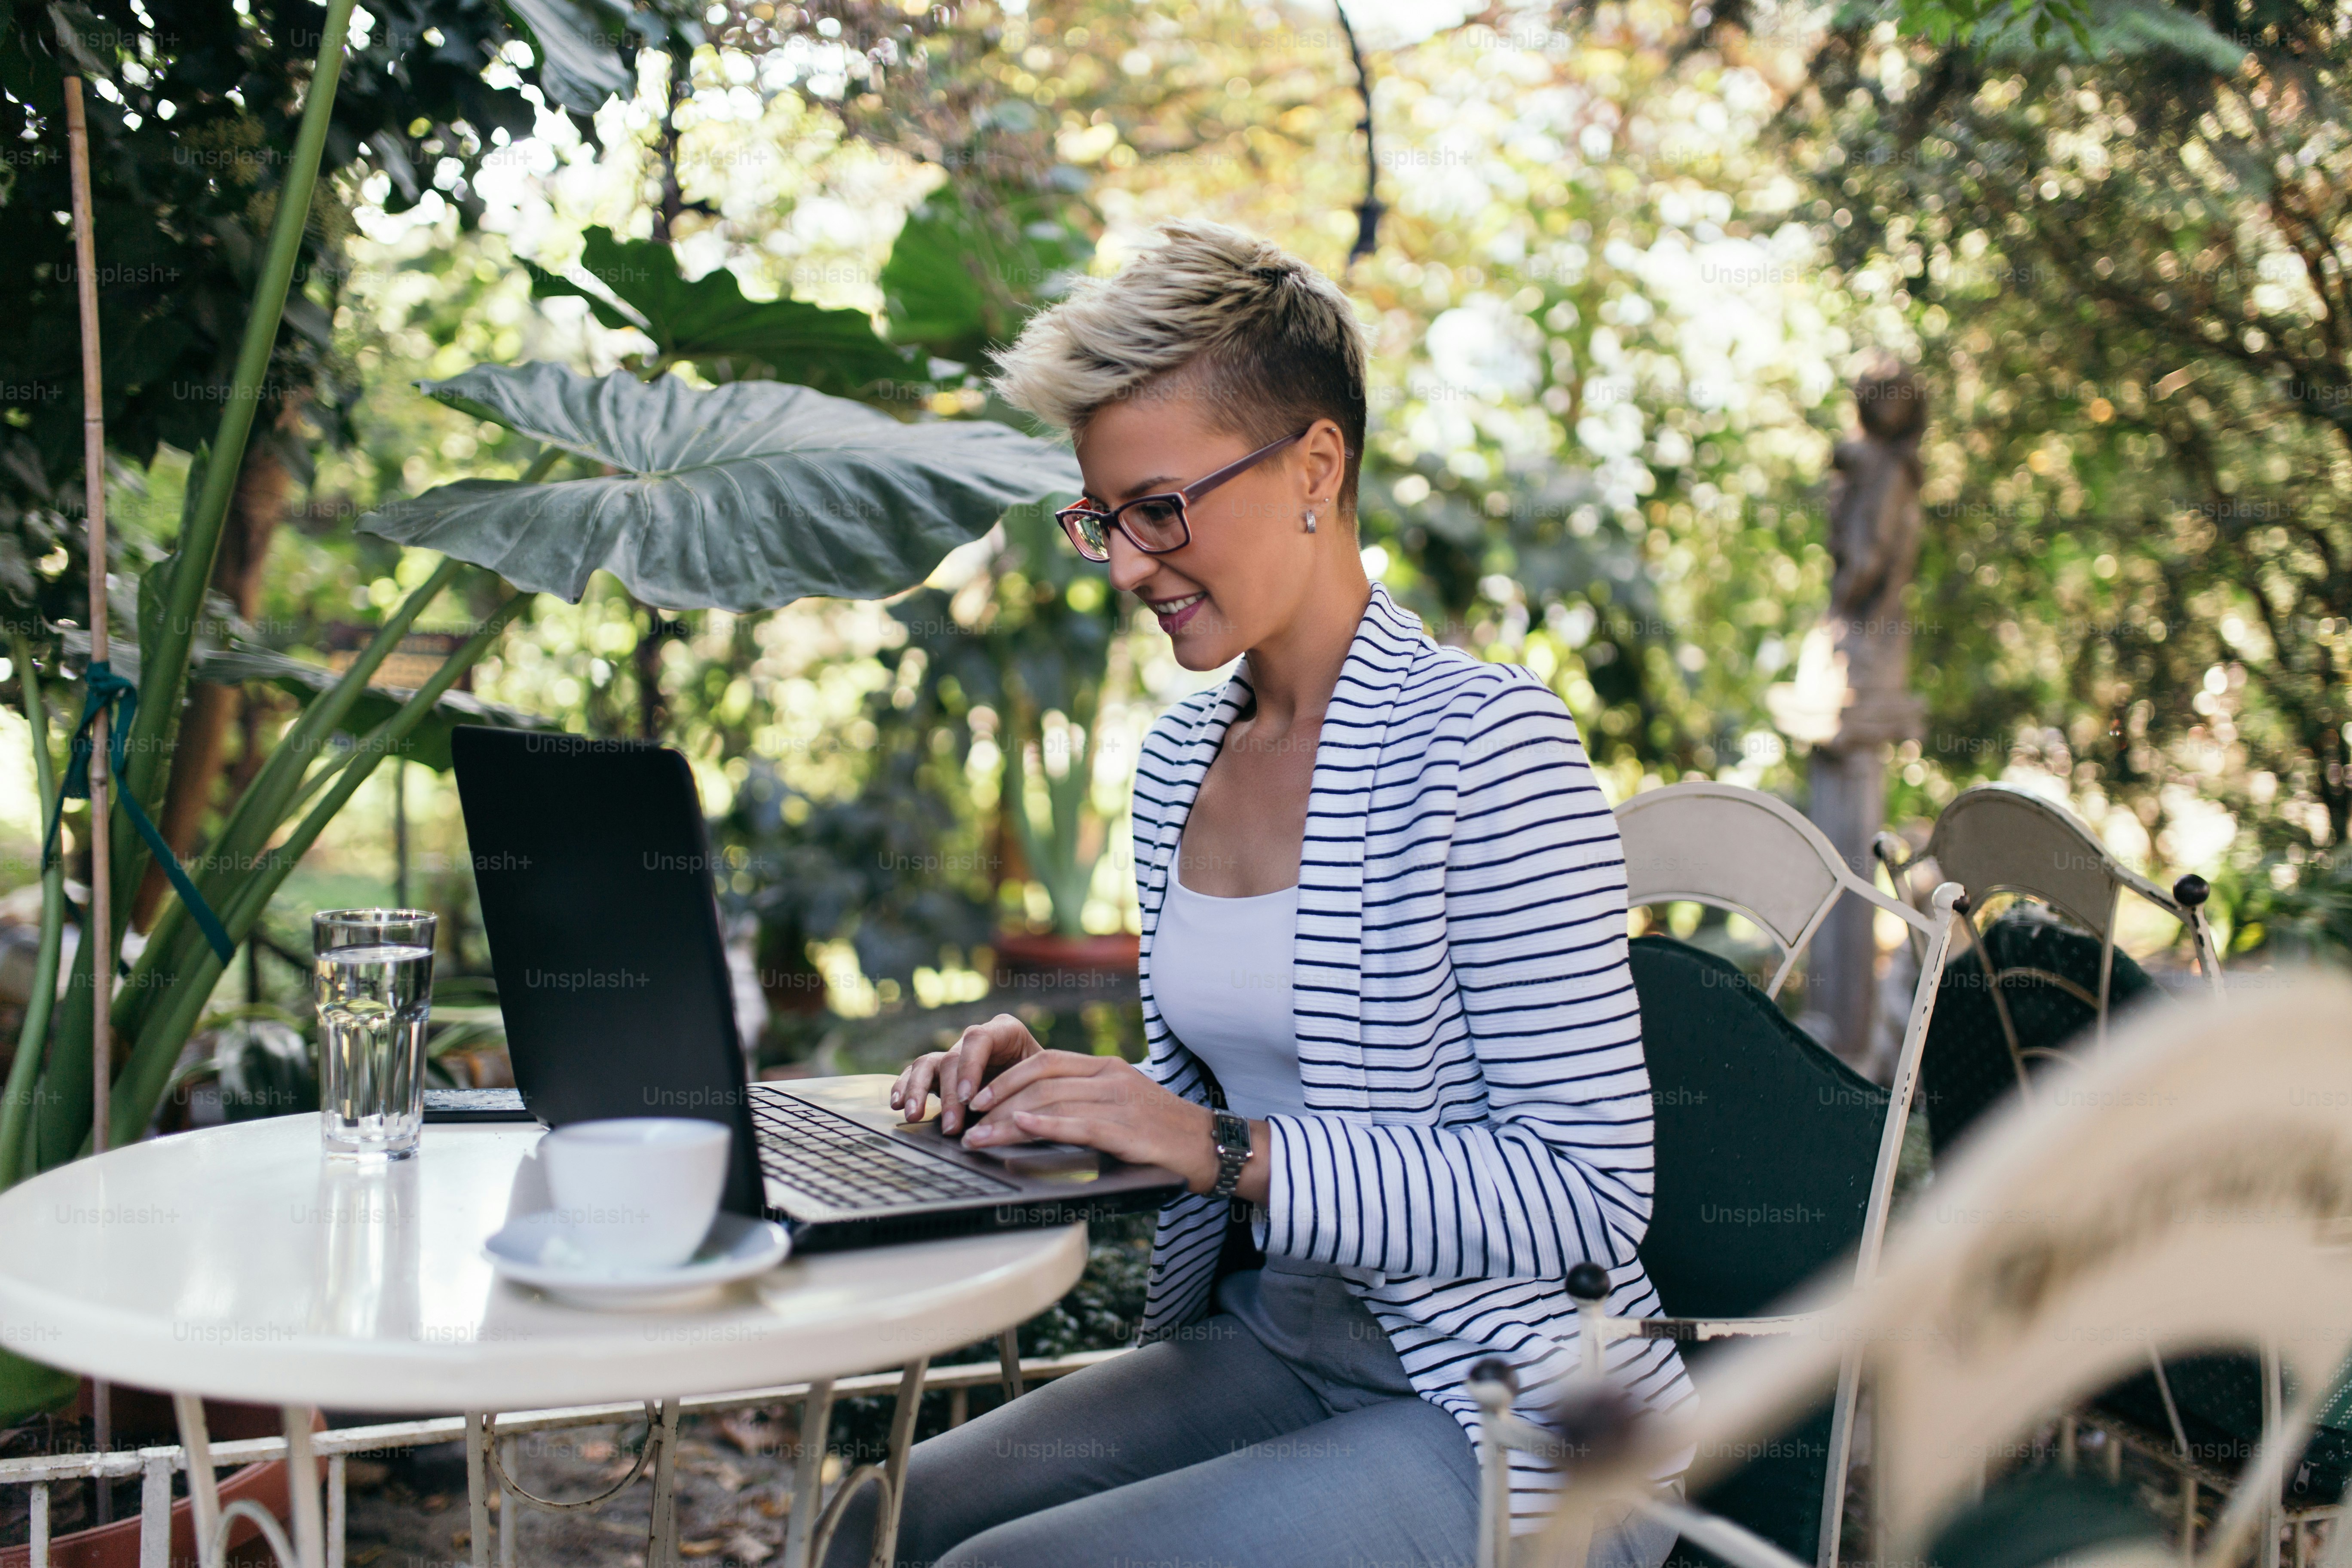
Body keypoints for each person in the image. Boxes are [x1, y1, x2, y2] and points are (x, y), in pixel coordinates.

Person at [823, 218, 1692, 1568]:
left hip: (1515, 1398)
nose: (1122, 566)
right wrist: (1059, 1086)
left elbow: (1586, 1190)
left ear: (1316, 467)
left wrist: (1216, 1152)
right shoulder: (1179, 757)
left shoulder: (1487, 749)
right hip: (1287, 1338)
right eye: (1103, 519)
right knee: (892, 1518)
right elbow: (1267, 1079)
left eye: (1160, 509)